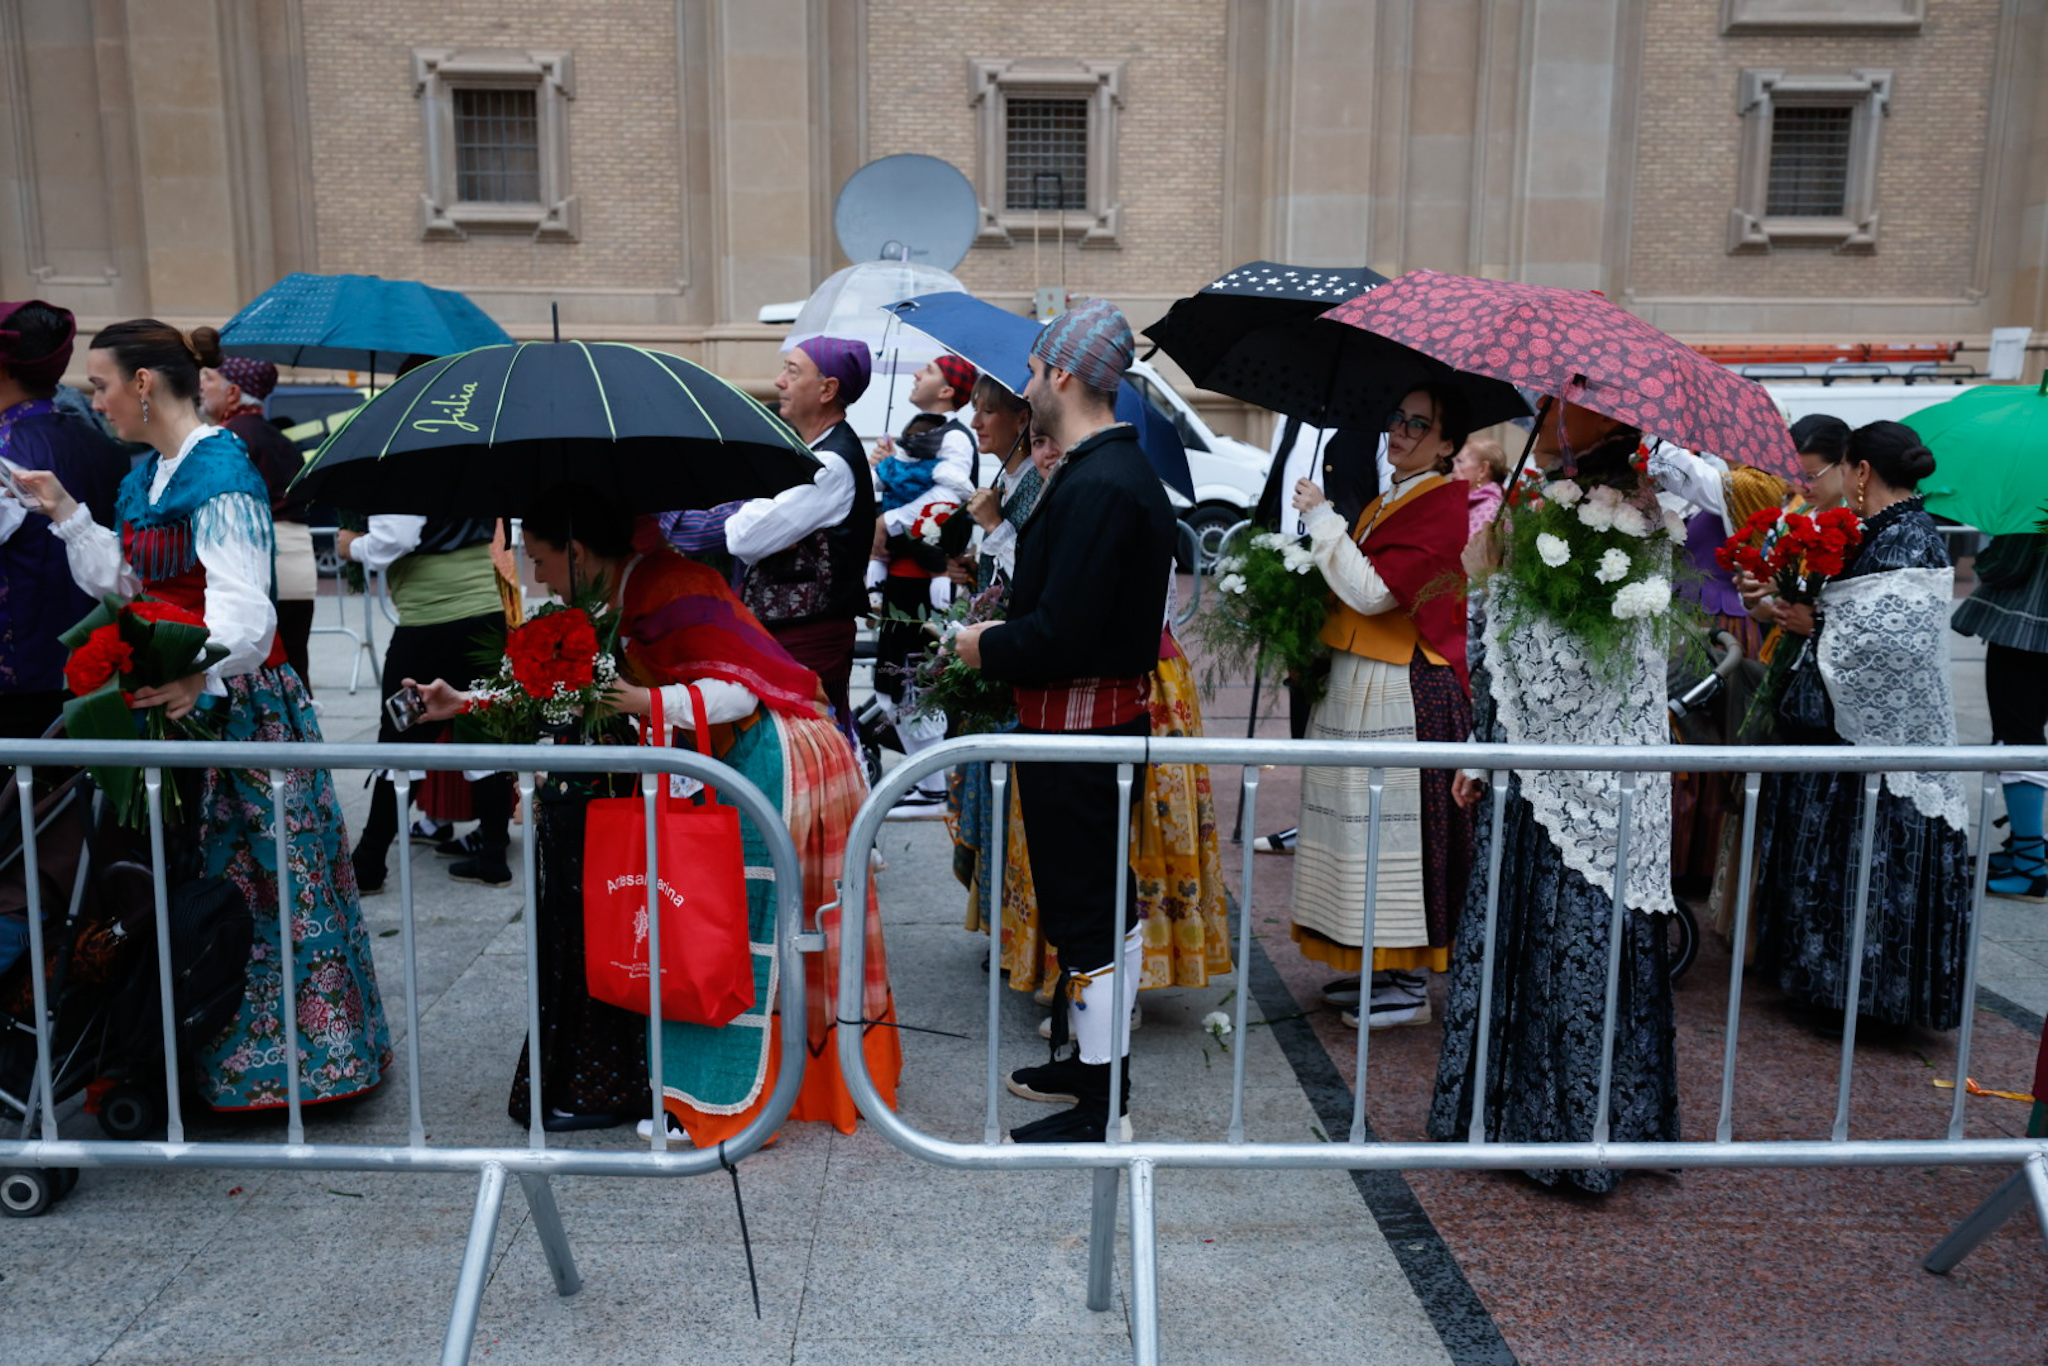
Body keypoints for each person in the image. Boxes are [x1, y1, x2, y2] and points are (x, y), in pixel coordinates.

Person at [411, 484, 900, 1141]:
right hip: (732, 763)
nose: (536, 577)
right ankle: (738, 1091)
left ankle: (733, 1105)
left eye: (541, 560)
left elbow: (732, 693)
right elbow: (578, 687)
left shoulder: (670, 583)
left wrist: (640, 702)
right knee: (720, 932)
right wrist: (463, 702)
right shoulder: (620, 592)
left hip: (772, 760)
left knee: (737, 937)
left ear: (579, 553)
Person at [16, 319, 388, 1111]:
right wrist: (64, 511)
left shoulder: (219, 467)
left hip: (240, 706)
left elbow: (247, 613)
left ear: (144, 384)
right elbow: (127, 584)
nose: (97, 398)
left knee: (260, 880)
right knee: (202, 881)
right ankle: (196, 1057)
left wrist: (196, 671)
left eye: (103, 383)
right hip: (186, 699)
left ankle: (293, 1069)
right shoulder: (151, 471)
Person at [1427, 400, 1680, 1193]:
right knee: (1541, 941)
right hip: (1550, 778)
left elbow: (1561, 666)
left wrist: (1483, 584)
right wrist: (1485, 745)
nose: (1543, 413)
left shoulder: (1614, 517)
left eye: (1559, 404)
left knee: (1569, 944)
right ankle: (1524, 1123)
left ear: (1601, 420)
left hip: (1578, 784)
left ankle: (1567, 1137)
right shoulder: (1573, 503)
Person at [953, 298, 1175, 1144]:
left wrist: (988, 647)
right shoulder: (1090, 474)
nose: (1029, 386)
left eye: (1039, 371)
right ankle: (1089, 1067)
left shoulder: (1107, 481)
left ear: (1069, 377)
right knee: (1083, 908)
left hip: (1086, 734)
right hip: (1074, 731)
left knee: (1093, 911)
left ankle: (1101, 1102)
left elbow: (1066, 631)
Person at [1753, 421, 1975, 1029]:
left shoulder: (1909, 535)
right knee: (1836, 863)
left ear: (1862, 471)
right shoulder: (1875, 530)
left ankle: (1866, 1001)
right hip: (1837, 728)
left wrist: (1817, 624)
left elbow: (1892, 643)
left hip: (1880, 743)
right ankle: (1822, 989)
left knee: (1869, 869)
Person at [1287, 384, 1475, 1029]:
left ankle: (1409, 983)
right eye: (1396, 417)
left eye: (1419, 425)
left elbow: (1373, 595)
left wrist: (1321, 516)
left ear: (1448, 445)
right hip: (1365, 675)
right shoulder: (1395, 495)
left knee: (1393, 833)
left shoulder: (1442, 502)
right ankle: (1381, 967)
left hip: (1404, 682)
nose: (1399, 431)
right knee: (1355, 826)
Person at [659, 338, 878, 731]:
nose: (778, 382)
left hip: (808, 640)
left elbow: (744, 537)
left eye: (792, 373)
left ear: (828, 389)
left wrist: (751, 511)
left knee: (803, 747)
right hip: (782, 636)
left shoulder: (831, 464)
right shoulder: (807, 452)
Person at [338, 510, 515, 891]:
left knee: (401, 734)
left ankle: (370, 861)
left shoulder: (410, 465)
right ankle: (493, 855)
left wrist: (351, 546)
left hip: (429, 626)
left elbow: (396, 536)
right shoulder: (469, 456)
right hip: (483, 613)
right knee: (484, 729)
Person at [1250, 416, 1387, 856]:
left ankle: (1344, 820)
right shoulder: (1291, 420)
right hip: (1293, 582)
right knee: (1302, 697)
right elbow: (1275, 486)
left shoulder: (1377, 426)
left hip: (1344, 582)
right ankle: (1310, 816)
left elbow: (1382, 503)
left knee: (1343, 703)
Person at [0, 300, 126, 739]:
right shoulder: (102, 445)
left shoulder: (7, 448)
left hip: (19, 679)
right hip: (94, 665)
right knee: (68, 797)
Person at [198, 353, 317, 686]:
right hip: (300, 567)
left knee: (256, 677)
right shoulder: (280, 439)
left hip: (261, 569)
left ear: (233, 393)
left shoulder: (227, 440)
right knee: (295, 668)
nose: (201, 387)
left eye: (209, 379)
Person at [1952, 524, 2048, 902]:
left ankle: (2029, 865)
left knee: (2017, 736)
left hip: (2026, 630)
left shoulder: (2035, 505)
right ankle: (2025, 849)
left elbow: (2006, 567)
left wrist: (1987, 556)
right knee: (2026, 733)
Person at [1452, 435, 1508, 542]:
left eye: (1460, 461)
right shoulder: (1470, 503)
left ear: (1483, 469)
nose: (1453, 469)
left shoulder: (1491, 508)